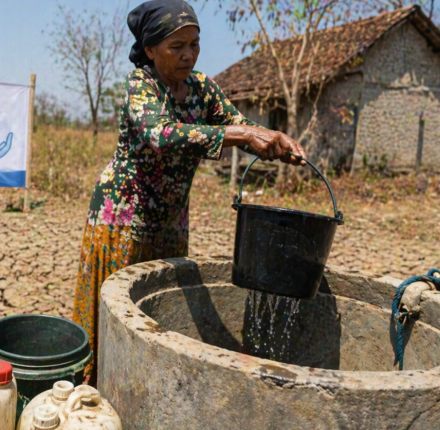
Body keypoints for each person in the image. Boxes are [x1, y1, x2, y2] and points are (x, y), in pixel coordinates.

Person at [72, 0, 307, 385]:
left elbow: (239, 125)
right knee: (111, 320)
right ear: (150, 49)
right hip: (123, 219)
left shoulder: (202, 89)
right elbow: (161, 134)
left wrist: (273, 141)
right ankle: (92, 394)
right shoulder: (140, 86)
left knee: (159, 316)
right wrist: (244, 135)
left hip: (171, 222)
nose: (188, 55)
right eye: (176, 46)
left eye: (194, 44)